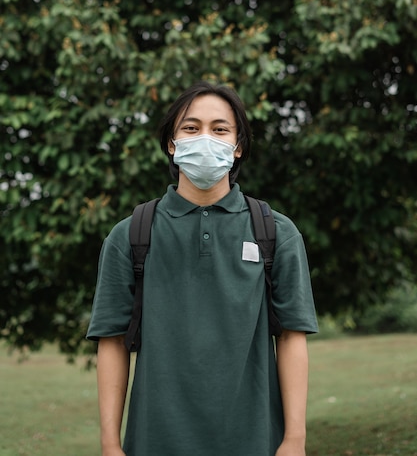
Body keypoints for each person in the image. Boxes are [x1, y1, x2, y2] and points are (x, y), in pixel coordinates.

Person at [87, 80, 318, 456]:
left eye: (220, 129)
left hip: (256, 440)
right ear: (171, 143)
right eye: (191, 128)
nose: (205, 138)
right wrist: (110, 444)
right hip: (155, 441)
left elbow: (292, 337)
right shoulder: (130, 235)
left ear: (238, 146)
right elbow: (111, 341)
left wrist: (295, 439)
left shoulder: (276, 232)